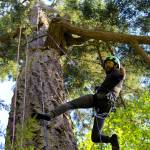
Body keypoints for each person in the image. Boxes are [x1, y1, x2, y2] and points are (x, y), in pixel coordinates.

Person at [33, 55, 126, 150]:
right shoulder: (113, 77)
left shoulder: (116, 73)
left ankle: (50, 115)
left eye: (109, 63)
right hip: (104, 109)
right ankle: (111, 140)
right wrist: (100, 88)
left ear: (116, 65)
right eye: (106, 64)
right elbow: (113, 84)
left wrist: (121, 72)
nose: (106, 65)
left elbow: (119, 76)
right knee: (95, 137)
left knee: (70, 104)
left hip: (100, 100)